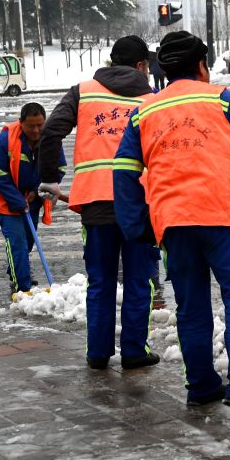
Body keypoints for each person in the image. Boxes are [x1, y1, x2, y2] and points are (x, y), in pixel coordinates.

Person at [113, 30, 230, 417]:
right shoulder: (222, 100)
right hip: (223, 219)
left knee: (192, 306)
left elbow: (123, 172)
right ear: (201, 66)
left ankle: (200, 385)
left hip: (173, 226)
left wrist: (137, 225)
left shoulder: (143, 112)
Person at [37, 35, 161, 371]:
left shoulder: (83, 91)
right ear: (139, 66)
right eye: (147, 65)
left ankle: (97, 352)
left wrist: (50, 176)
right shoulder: (152, 100)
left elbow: (50, 132)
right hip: (139, 205)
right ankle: (134, 351)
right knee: (139, 279)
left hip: (95, 204)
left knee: (101, 279)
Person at [0, 102, 65, 296]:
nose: (36, 130)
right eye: (31, 126)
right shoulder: (5, 141)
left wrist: (36, 192)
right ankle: (22, 286)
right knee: (17, 241)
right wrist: (18, 200)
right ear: (21, 123)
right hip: (5, 198)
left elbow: (58, 169)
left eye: (40, 125)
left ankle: (17, 271)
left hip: (33, 197)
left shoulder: (50, 139)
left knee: (28, 240)